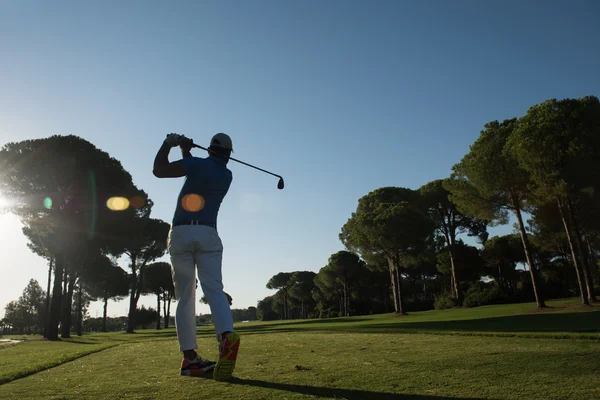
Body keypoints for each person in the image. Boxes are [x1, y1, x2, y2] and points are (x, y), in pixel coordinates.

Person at [152, 132, 240, 381]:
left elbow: (159, 171)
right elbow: (199, 170)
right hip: (208, 233)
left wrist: (169, 144)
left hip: (180, 232)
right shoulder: (226, 174)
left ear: (210, 150)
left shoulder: (197, 164)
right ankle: (225, 336)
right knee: (214, 288)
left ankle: (190, 359)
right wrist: (187, 151)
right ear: (228, 155)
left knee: (185, 296)